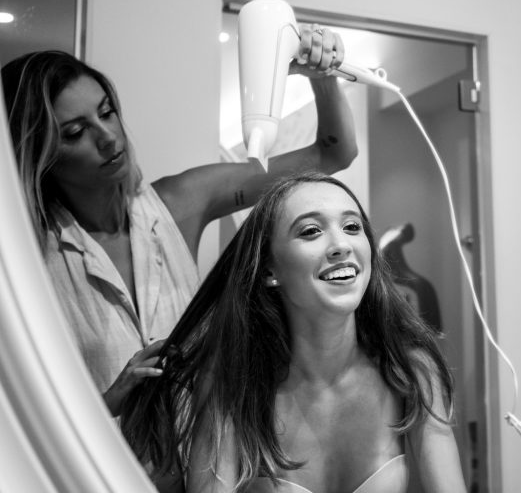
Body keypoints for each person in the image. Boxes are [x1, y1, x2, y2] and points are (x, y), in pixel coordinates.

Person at [0, 24, 356, 420]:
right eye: (75, 132)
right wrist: (109, 402)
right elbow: (21, 419)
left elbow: (333, 154)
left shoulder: (179, 203)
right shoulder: (28, 258)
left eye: (107, 112)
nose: (108, 138)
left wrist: (323, 77)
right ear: (38, 154)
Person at [120, 172, 467, 493]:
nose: (341, 245)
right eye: (311, 231)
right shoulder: (233, 382)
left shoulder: (412, 370)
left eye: (352, 226)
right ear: (270, 269)